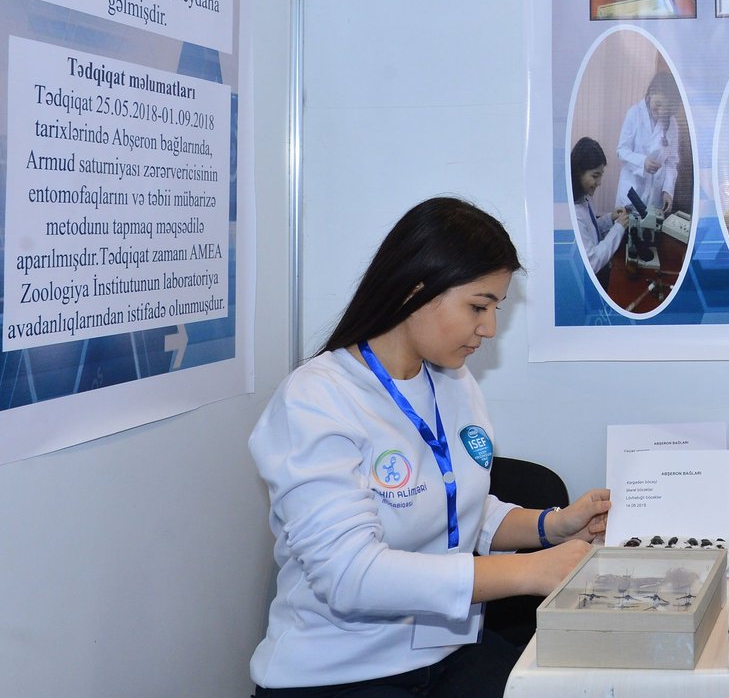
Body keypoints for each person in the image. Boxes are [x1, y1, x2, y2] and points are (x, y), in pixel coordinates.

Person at [249, 197, 610, 695]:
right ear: (416, 290)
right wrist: (529, 570)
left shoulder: (453, 381)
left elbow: (457, 506)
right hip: (339, 672)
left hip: (447, 652)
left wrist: (552, 525)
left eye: (497, 308)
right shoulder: (315, 399)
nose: (489, 328)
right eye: (478, 306)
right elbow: (350, 575)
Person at [614, 70, 681, 216]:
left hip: (655, 195)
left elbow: (671, 162)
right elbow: (621, 150)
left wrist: (668, 190)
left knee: (650, 226)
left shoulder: (672, 124)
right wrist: (642, 162)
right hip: (631, 190)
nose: (661, 112)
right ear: (651, 93)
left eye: (666, 109)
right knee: (626, 227)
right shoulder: (634, 114)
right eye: (658, 104)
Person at [571, 136, 626, 276]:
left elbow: (590, 231)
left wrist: (610, 218)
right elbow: (592, 262)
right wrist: (618, 228)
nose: (599, 182)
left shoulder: (585, 197)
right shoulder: (573, 214)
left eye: (600, 175)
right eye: (595, 176)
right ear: (578, 172)